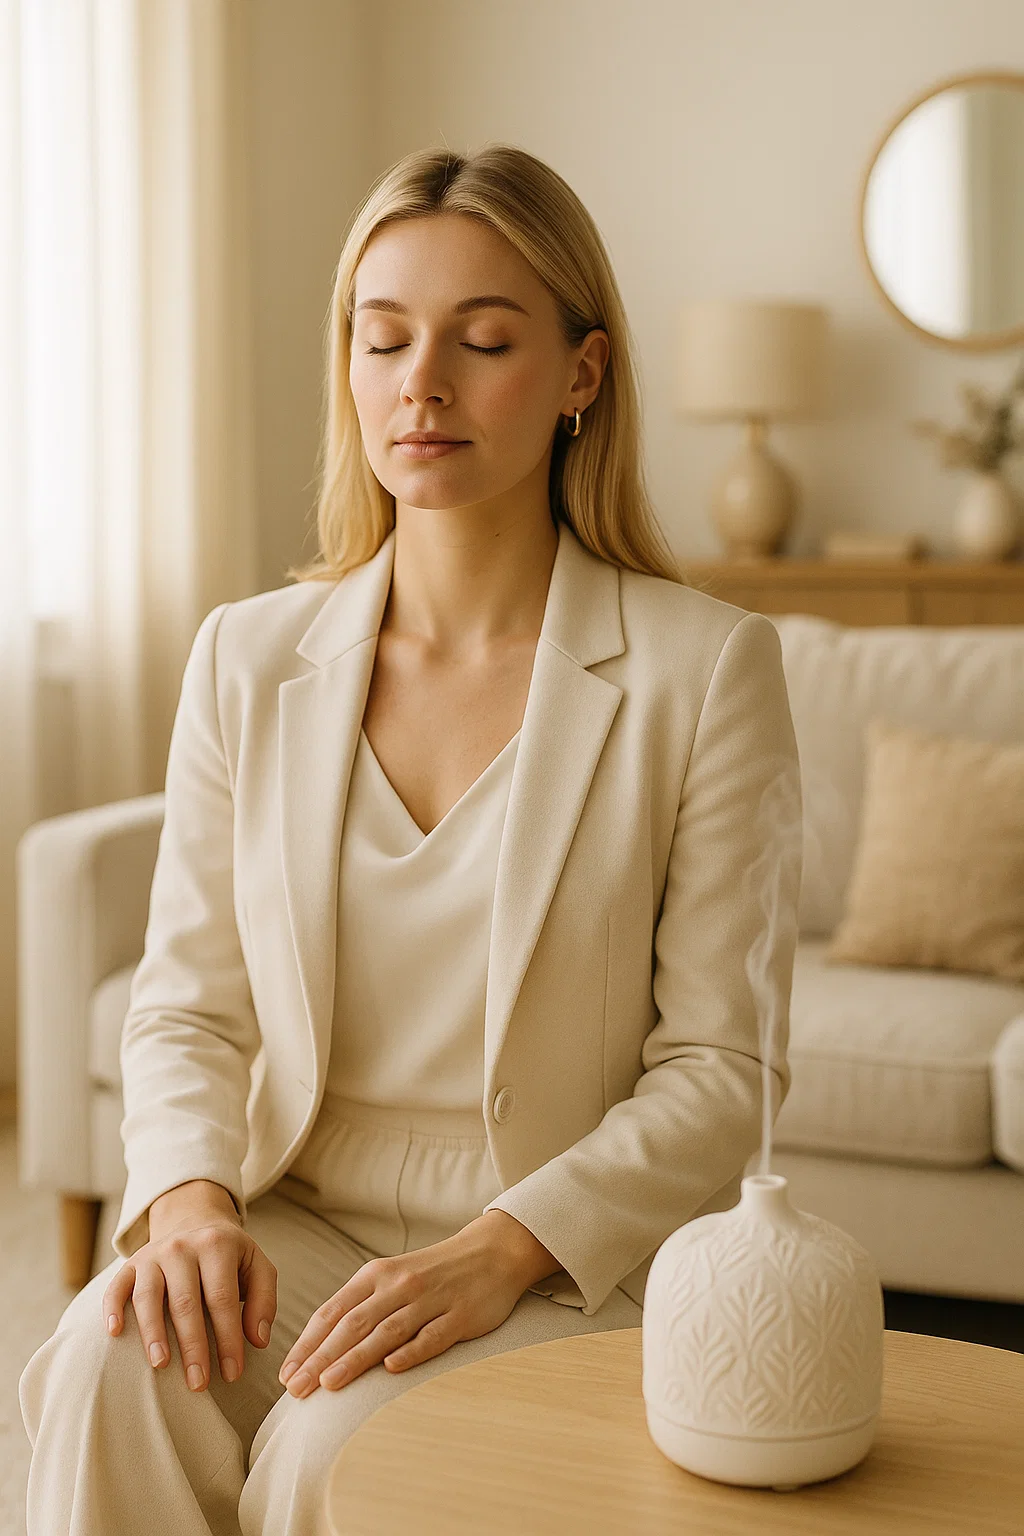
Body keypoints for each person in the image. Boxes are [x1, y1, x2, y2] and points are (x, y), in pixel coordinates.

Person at [19, 142, 802, 1535]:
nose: (420, 383)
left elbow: (720, 1072)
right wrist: (192, 1203)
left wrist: (505, 1248)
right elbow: (187, 1006)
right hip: (293, 1218)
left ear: (581, 375)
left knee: (340, 1452)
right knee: (103, 1361)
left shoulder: (705, 668)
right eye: (382, 339)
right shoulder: (247, 660)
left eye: (482, 340)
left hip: (553, 1255)